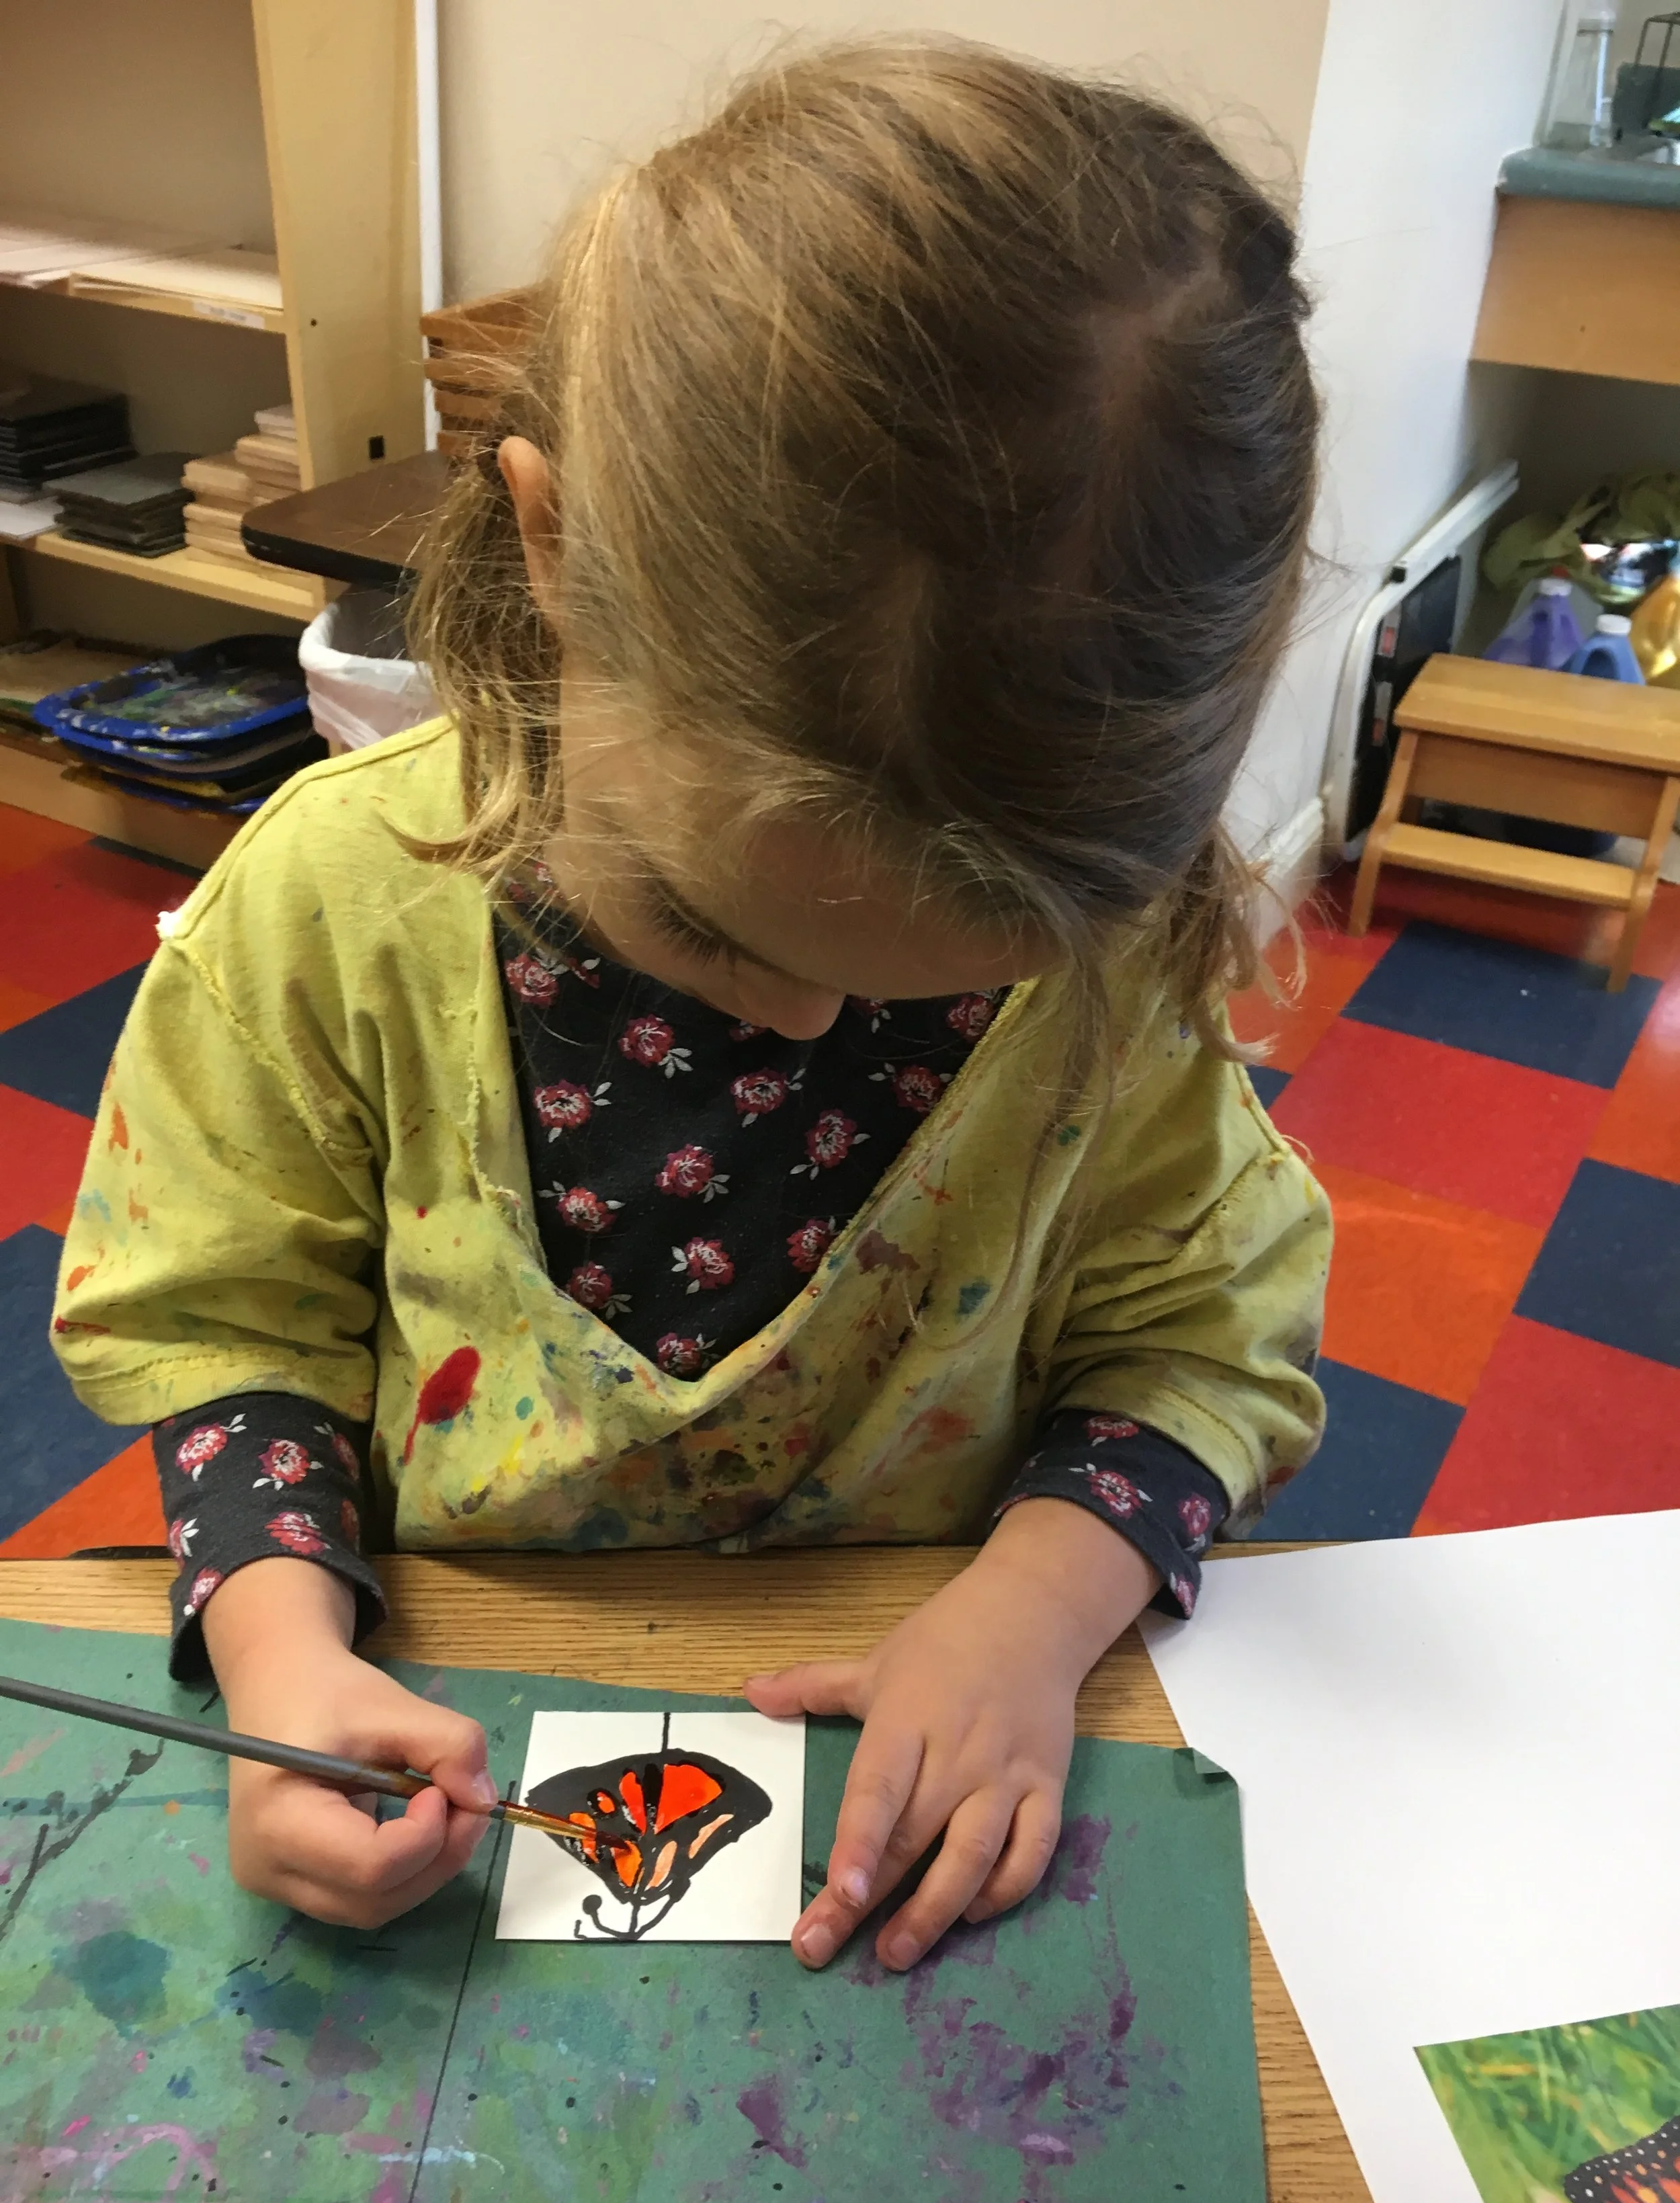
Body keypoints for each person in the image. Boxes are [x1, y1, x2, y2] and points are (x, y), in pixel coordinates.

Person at [51, 36, 1330, 1968]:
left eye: (951, 981)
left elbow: (1203, 1339)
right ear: (551, 545)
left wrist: (1038, 1608)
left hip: (921, 1719)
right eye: (731, 934)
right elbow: (224, 1318)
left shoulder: (1115, 954)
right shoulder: (323, 912)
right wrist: (279, 1643)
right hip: (458, 1726)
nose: (815, 1035)